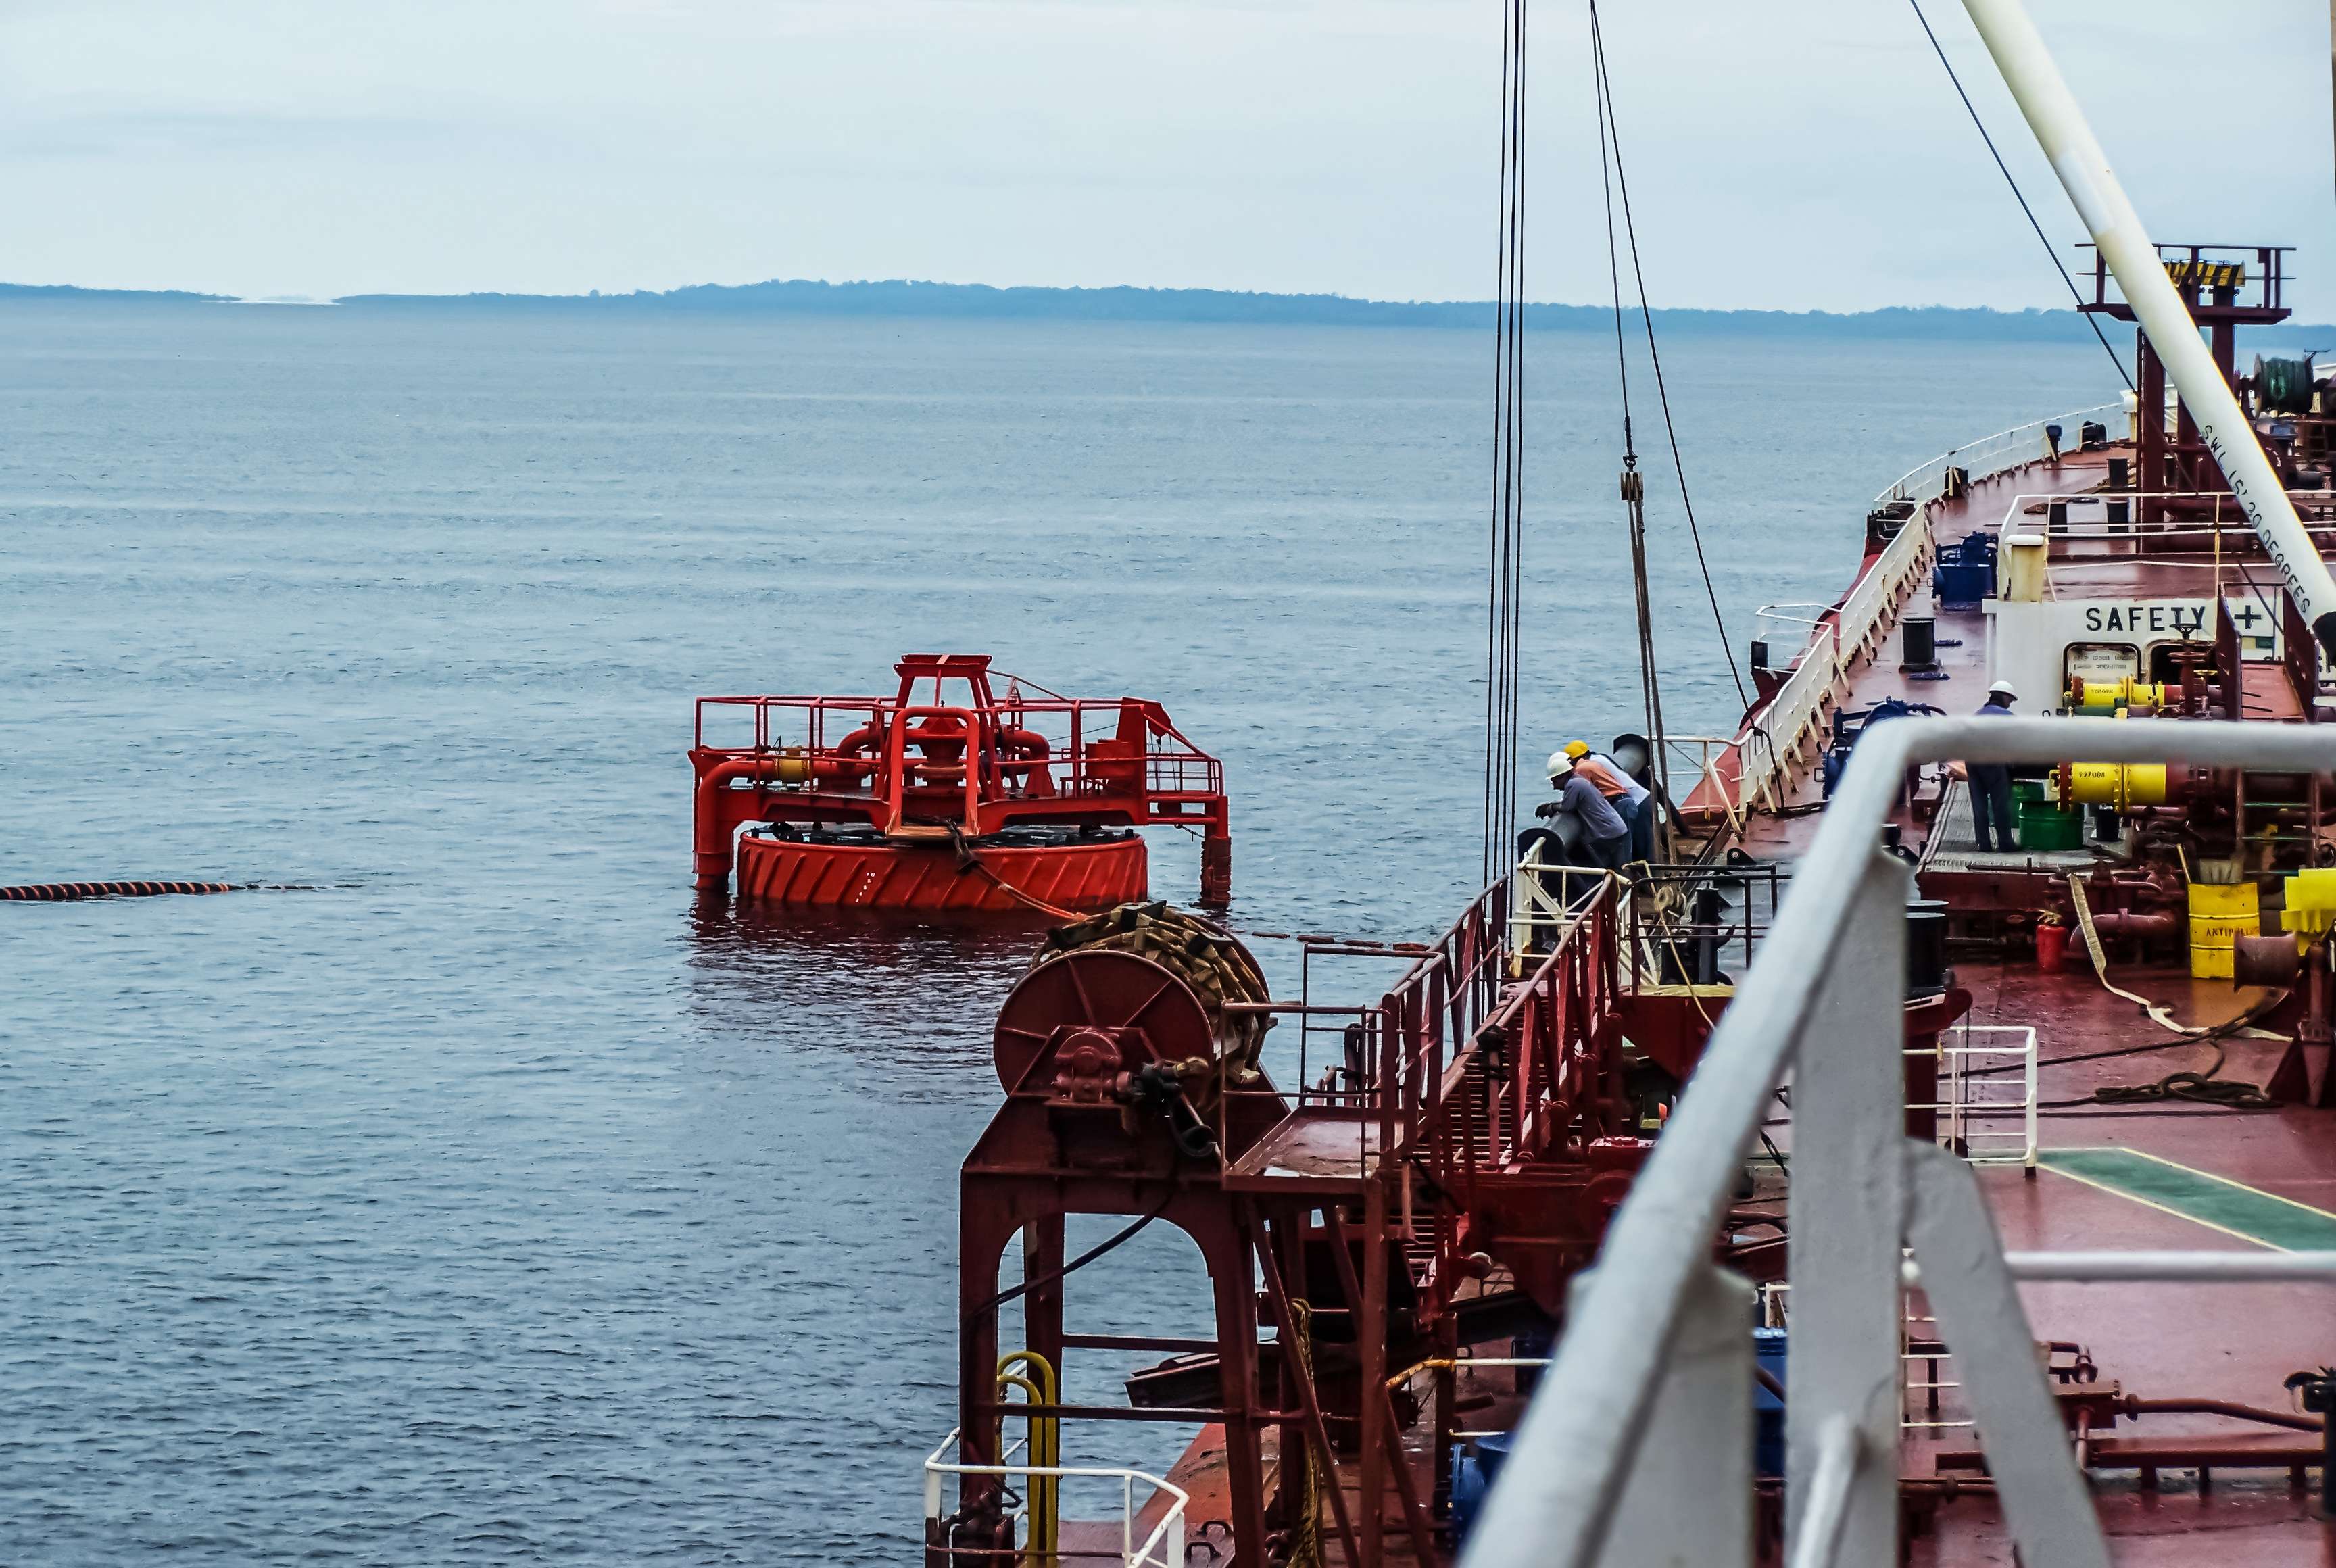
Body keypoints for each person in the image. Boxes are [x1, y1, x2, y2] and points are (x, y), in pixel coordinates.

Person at [1564, 739, 1655, 866]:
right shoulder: (1599, 759)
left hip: (1636, 802)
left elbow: (1585, 792)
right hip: (1638, 799)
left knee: (1640, 849)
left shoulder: (1585, 767)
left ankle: (1642, 878)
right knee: (1643, 847)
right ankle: (1645, 876)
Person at [1536, 753, 1631, 873]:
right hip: (1613, 829)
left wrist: (1549, 808)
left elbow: (1567, 806)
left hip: (1608, 832)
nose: (1553, 785)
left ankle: (1625, 888)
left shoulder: (1574, 784)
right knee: (1617, 867)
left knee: (1613, 869)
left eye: (1553, 780)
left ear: (1561, 776)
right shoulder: (1578, 780)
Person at [1968, 680, 2018, 852]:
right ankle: (2005, 843)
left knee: (1979, 804)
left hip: (1972, 762)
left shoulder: (1976, 715)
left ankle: (1983, 844)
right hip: (1993, 762)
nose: (2009, 704)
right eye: (2010, 700)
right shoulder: (2008, 717)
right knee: (2000, 803)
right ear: (2004, 697)